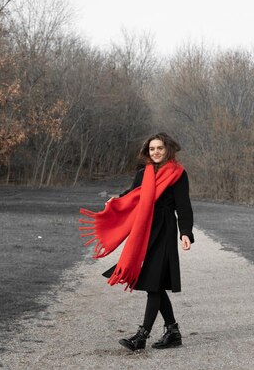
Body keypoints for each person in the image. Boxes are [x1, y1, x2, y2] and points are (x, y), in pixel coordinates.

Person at [79, 132, 194, 351]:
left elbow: (183, 205)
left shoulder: (178, 174)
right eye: (152, 149)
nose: (156, 152)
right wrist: (117, 201)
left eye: (159, 148)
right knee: (156, 283)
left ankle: (142, 336)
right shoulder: (144, 173)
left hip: (165, 229)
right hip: (145, 231)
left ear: (168, 149)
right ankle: (172, 331)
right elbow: (133, 195)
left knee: (153, 283)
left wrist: (185, 232)